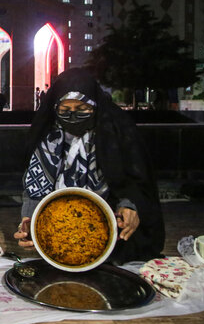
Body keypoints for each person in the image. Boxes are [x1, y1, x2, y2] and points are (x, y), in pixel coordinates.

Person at [13, 68, 164, 264]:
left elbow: (136, 179)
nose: (73, 116)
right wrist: (29, 222)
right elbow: (35, 189)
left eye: (82, 109)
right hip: (60, 234)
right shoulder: (47, 139)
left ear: (95, 106)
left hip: (112, 235)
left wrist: (130, 206)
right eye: (65, 110)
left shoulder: (116, 133)